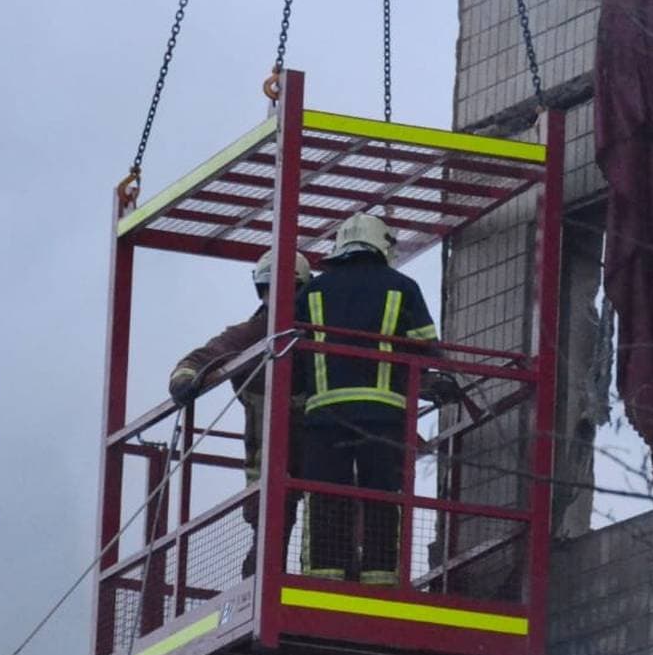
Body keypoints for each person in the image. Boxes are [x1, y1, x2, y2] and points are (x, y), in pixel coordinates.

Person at [294, 212, 445, 586]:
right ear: (383, 244)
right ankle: (380, 578)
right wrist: (439, 381)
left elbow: (294, 356)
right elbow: (426, 349)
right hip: (385, 416)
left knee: (328, 497)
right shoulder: (402, 287)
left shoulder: (311, 292)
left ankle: (324, 579)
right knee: (382, 497)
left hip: (326, 418)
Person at [167, 250, 311, 577]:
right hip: (271, 456)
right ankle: (260, 582)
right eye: (271, 289)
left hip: (317, 453)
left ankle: (311, 584)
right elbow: (201, 357)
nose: (279, 298)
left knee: (327, 526)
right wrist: (185, 382)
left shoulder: (321, 332)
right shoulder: (254, 334)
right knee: (270, 532)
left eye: (288, 289)